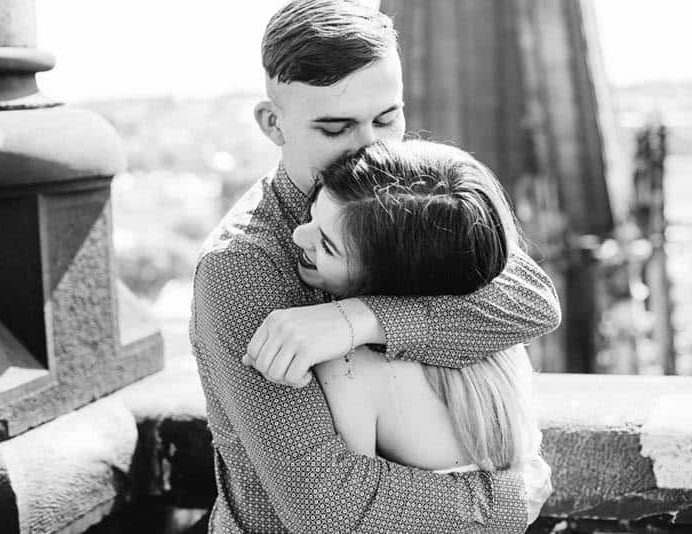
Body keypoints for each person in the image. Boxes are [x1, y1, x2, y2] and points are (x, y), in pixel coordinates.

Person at [191, 1, 561, 532]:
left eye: (386, 119)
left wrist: (362, 319)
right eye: (335, 128)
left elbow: (532, 302)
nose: (368, 151)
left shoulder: (406, 184)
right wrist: (502, 502)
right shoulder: (243, 266)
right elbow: (324, 504)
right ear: (273, 123)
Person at [292, 139, 553, 525]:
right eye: (313, 213)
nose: (299, 236)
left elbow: (349, 516)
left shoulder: (347, 365)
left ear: (386, 277)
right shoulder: (494, 336)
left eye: (327, 246)